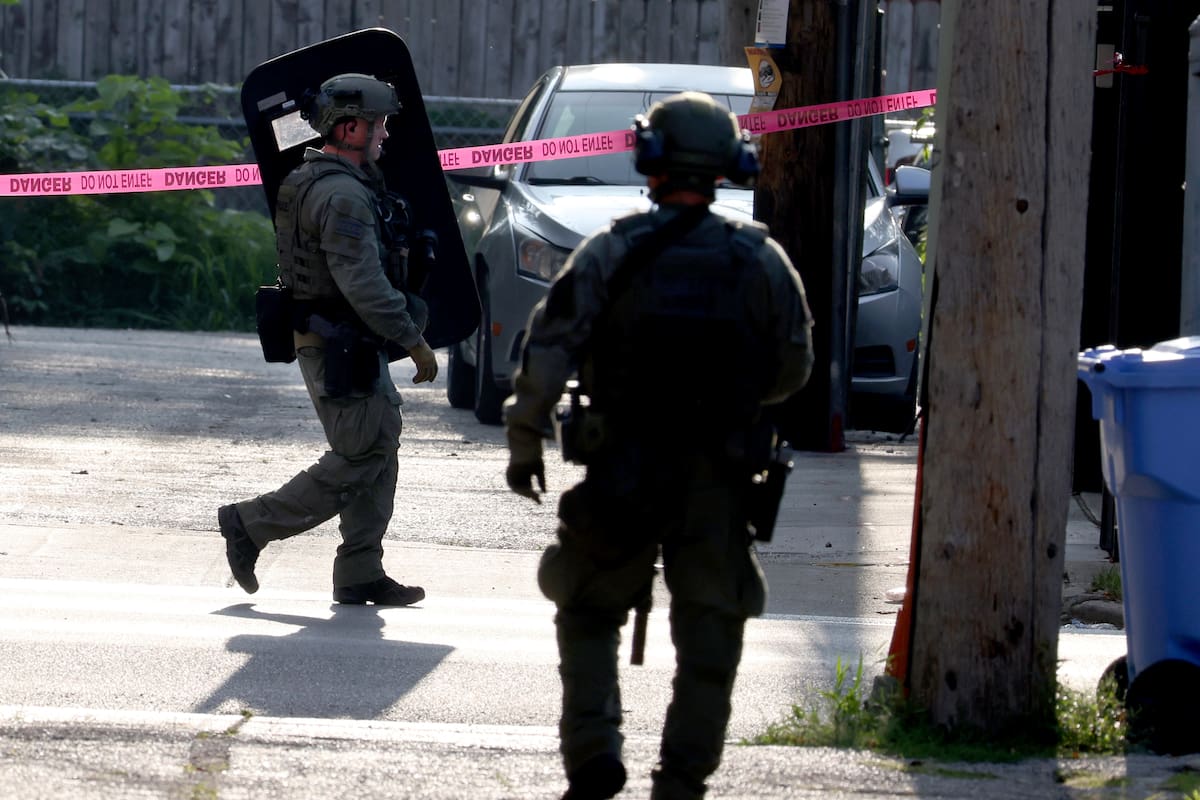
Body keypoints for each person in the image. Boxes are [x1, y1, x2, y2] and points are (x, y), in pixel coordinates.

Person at [504, 91, 815, 800]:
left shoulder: (610, 252)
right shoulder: (761, 261)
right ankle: (682, 778)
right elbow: (793, 368)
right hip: (719, 477)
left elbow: (546, 355)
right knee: (711, 629)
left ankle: (592, 754)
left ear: (649, 159)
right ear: (727, 167)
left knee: (586, 609)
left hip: (620, 471)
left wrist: (525, 444)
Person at [218, 73, 439, 607]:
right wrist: (413, 338)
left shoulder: (332, 179)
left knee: (379, 448)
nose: (385, 133)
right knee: (362, 452)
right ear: (348, 127)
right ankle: (251, 523)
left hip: (349, 339)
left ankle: (361, 571)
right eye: (377, 123)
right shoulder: (340, 195)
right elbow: (359, 281)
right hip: (337, 340)